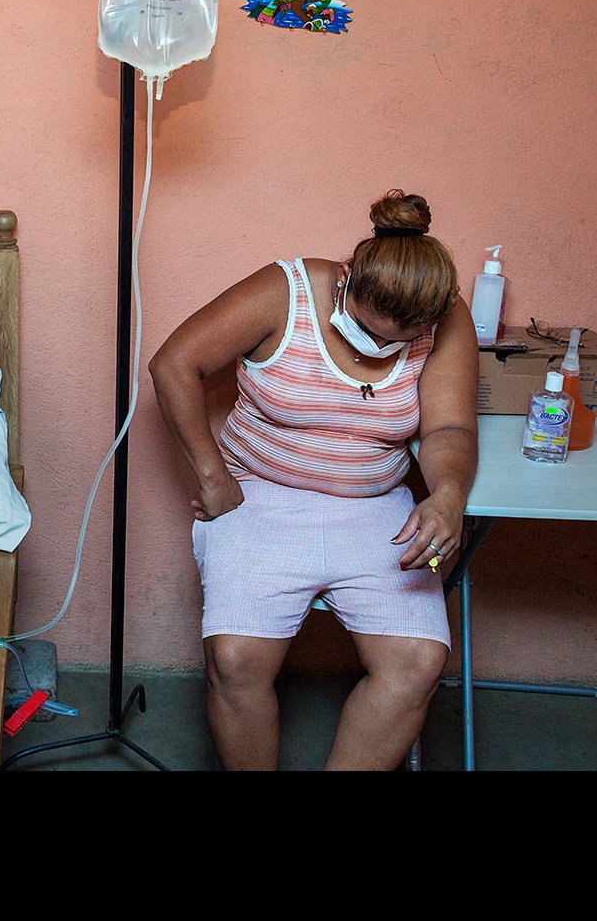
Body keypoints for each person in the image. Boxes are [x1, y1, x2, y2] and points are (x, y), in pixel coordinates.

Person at [148, 189, 478, 771]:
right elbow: (174, 363)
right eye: (371, 331)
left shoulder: (444, 315)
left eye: (399, 343)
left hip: (377, 506)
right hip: (260, 498)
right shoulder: (286, 290)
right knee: (234, 659)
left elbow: (449, 425)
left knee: (418, 664)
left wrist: (448, 496)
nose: (381, 349)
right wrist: (213, 474)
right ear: (349, 280)